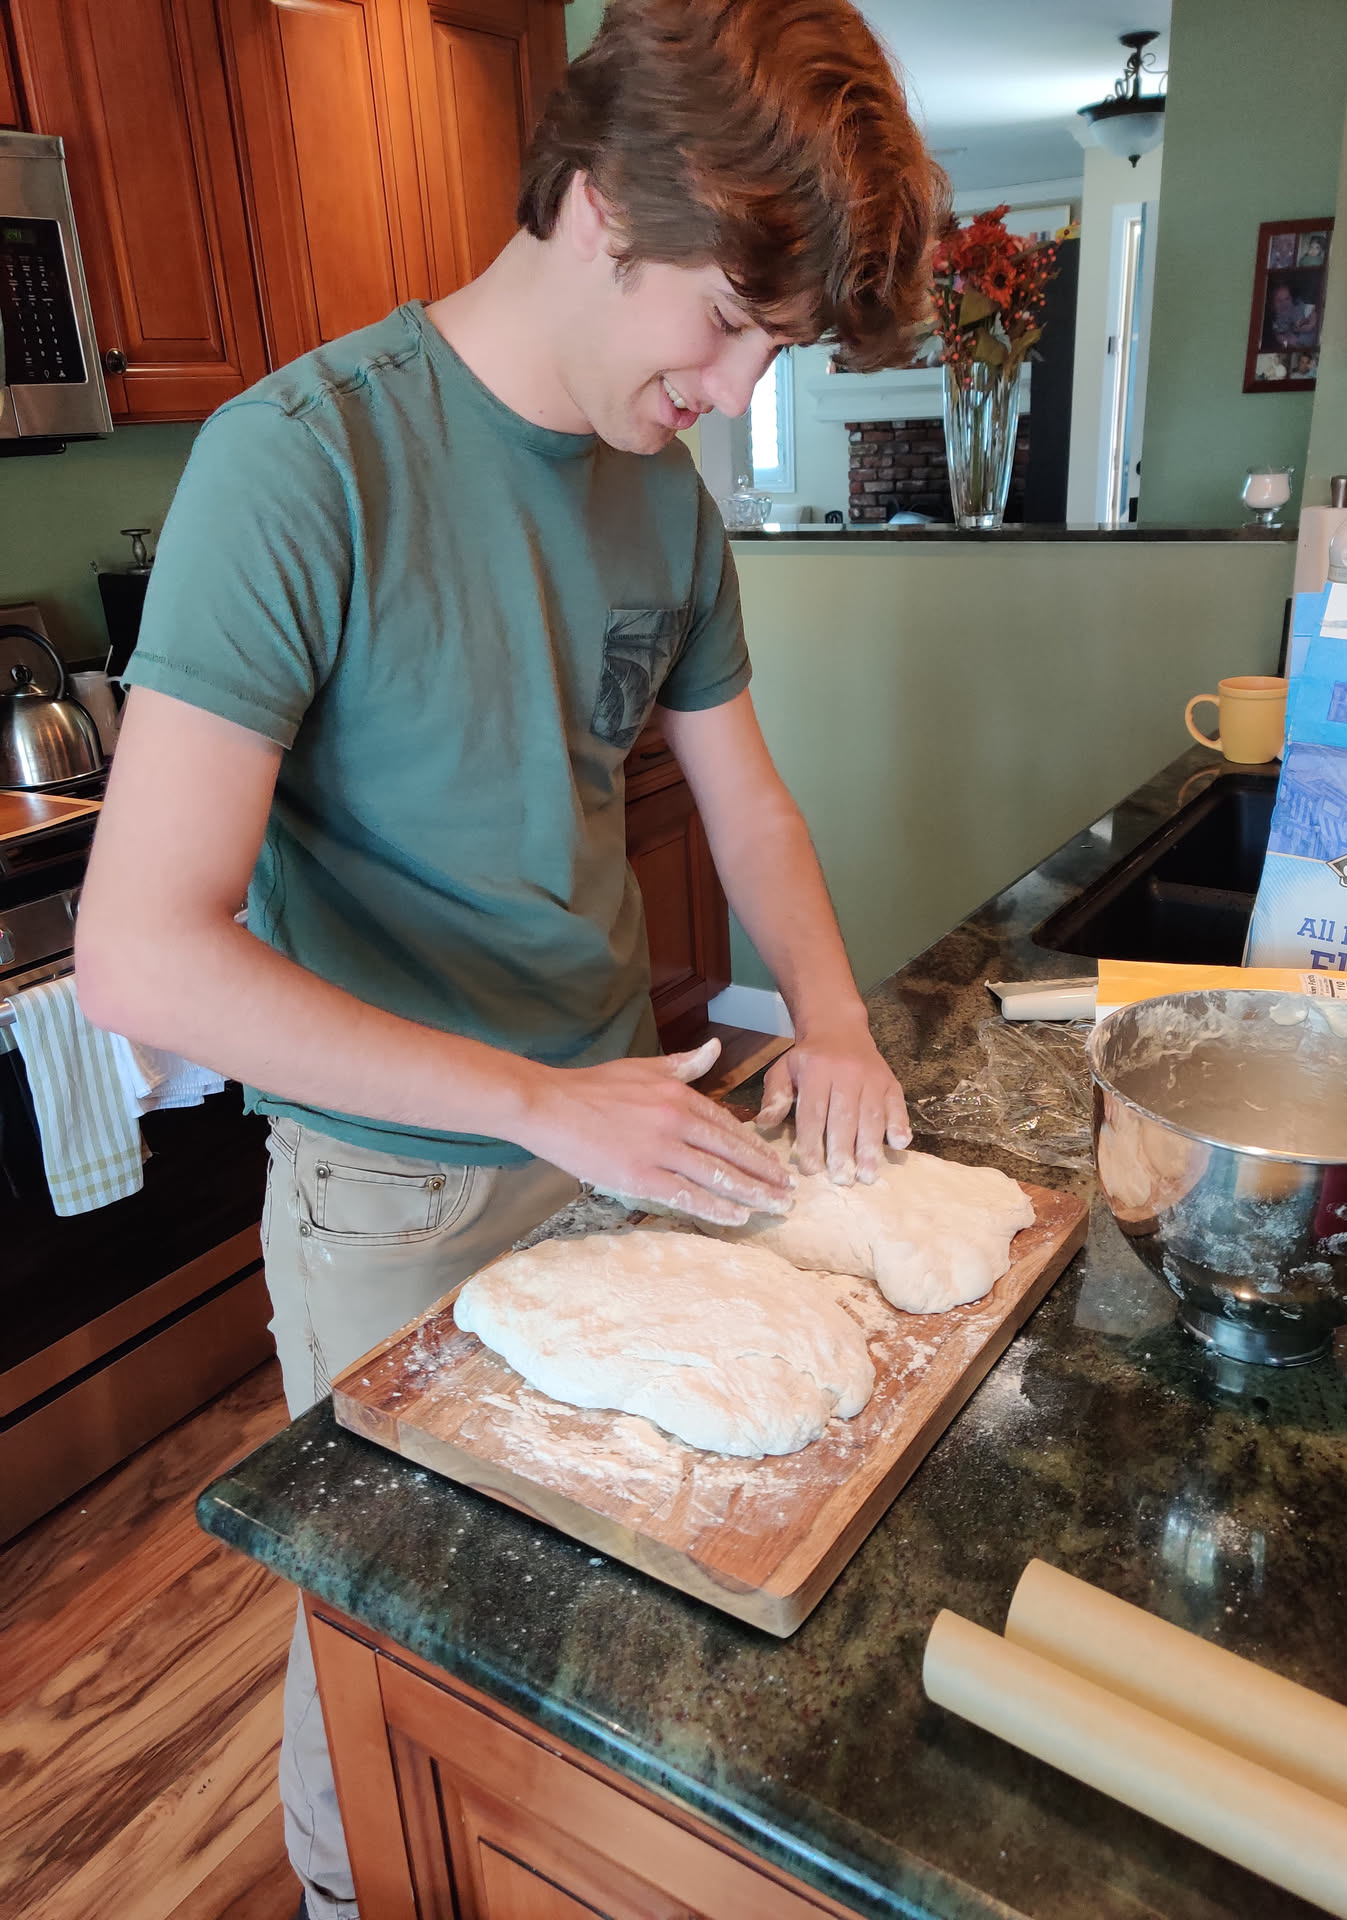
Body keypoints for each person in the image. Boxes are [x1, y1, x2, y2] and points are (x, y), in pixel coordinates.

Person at [75, 2, 947, 1913]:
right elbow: (137, 953)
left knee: (603, 1627)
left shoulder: (666, 495)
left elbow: (746, 805)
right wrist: (540, 1104)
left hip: (623, 1135)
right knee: (399, 1647)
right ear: (599, 201)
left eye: (777, 350)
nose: (735, 390)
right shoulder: (301, 463)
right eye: (725, 323)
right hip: (401, 1189)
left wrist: (833, 1021)